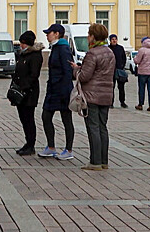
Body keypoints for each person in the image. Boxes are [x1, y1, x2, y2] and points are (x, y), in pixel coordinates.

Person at [70, 23, 115, 171]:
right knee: (103, 128)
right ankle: (104, 161)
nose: (88, 37)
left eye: (89, 35)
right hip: (106, 95)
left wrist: (76, 70)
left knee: (93, 128)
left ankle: (94, 162)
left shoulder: (92, 53)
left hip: (92, 96)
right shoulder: (109, 52)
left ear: (93, 37)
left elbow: (84, 77)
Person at [38, 24, 75, 160]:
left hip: (63, 90)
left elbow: (68, 71)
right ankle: (51, 147)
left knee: (66, 119)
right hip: (53, 89)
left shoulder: (63, 49)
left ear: (57, 34)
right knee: (46, 116)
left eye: (49, 33)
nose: (47, 35)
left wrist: (65, 90)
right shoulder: (55, 48)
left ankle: (69, 150)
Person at [11, 31, 44, 156]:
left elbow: (33, 75)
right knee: (23, 119)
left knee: (29, 119)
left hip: (29, 93)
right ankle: (27, 142)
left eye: (23, 43)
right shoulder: (22, 55)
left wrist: (23, 88)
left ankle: (31, 144)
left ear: (28, 43)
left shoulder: (35, 56)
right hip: (19, 92)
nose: (21, 46)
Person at [134, 37, 150, 111]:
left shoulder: (142, 50)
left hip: (142, 72)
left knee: (141, 89)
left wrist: (134, 58)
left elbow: (137, 61)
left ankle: (140, 104)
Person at [108, 34, 128, 108]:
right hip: (111, 71)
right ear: (110, 40)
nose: (114, 40)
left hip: (119, 70)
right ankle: (111, 103)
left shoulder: (120, 48)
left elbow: (124, 58)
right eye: (112, 39)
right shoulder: (108, 49)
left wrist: (122, 66)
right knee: (111, 88)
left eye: (115, 39)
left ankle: (122, 102)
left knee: (121, 87)